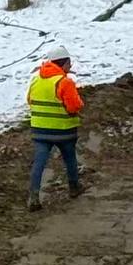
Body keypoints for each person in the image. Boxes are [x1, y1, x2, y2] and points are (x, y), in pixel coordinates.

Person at [25, 45, 85, 209]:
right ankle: (74, 188)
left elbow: (29, 100)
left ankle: (33, 196)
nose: (70, 67)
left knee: (39, 163)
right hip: (64, 131)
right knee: (70, 159)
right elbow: (74, 106)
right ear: (64, 64)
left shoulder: (36, 80)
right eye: (69, 63)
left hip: (40, 131)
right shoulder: (65, 82)